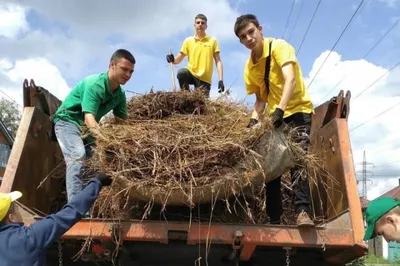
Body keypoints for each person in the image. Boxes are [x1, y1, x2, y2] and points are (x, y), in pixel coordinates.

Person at [234, 14, 315, 227]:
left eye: (251, 32)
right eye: (243, 36)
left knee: (298, 160)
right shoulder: (250, 67)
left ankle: (303, 212)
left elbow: (290, 79)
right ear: (241, 41)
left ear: (260, 28)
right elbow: (261, 98)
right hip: (275, 116)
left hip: (297, 111)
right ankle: (274, 218)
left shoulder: (279, 47)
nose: (249, 38)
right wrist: (253, 120)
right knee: (272, 166)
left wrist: (279, 110)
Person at [52, 49, 135, 203]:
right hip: (68, 122)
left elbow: (123, 123)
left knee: (95, 165)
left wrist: (128, 143)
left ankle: (89, 207)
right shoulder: (94, 84)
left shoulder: (120, 95)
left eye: (131, 71)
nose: (128, 75)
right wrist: (107, 139)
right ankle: (74, 210)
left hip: (86, 130)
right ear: (112, 64)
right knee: (77, 156)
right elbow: (89, 118)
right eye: (124, 69)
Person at [0, 172, 112, 266]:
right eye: (17, 210)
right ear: (12, 218)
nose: (19, 212)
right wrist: (97, 182)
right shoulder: (29, 237)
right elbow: (72, 211)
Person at [166, 13, 225, 98]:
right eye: (198, 22)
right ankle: (186, 96)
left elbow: (218, 61)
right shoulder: (188, 41)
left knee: (201, 106)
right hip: (191, 73)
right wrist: (172, 59)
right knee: (182, 73)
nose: (200, 25)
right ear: (194, 25)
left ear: (206, 26)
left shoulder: (212, 41)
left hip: (205, 79)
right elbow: (178, 59)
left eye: (202, 23)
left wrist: (221, 80)